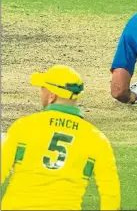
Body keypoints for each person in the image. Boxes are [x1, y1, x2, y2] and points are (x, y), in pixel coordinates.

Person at [1, 65, 121, 210]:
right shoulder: (96, 139)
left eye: (43, 88)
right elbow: (110, 192)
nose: (41, 92)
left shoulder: (24, 126)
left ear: (52, 96)